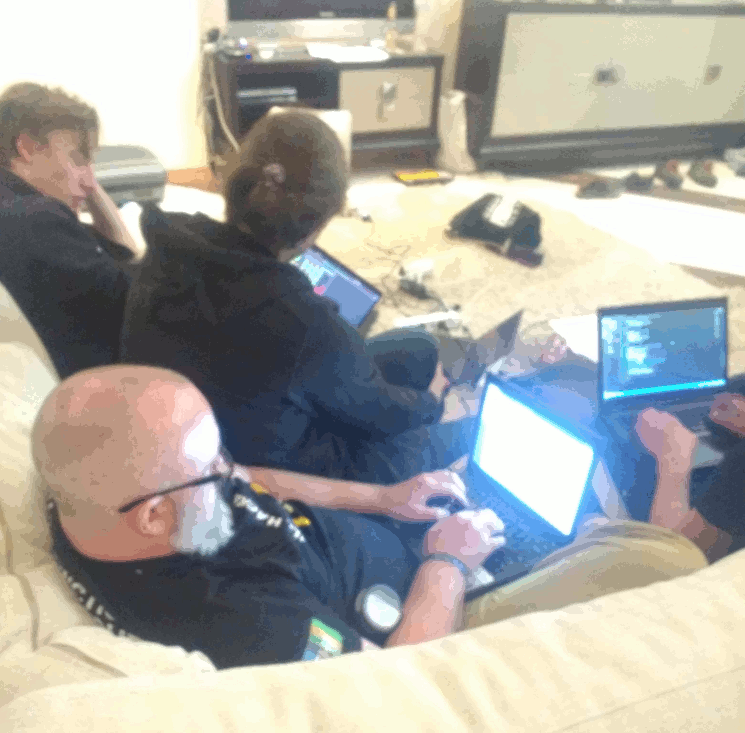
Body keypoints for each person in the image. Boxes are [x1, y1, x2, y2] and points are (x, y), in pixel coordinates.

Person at [34, 366, 711, 668]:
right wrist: (448, 559)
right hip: (428, 609)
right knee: (659, 558)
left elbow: (252, 479)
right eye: (211, 467)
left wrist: (384, 498)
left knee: (473, 447)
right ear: (154, 517)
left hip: (396, 538)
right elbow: (394, 680)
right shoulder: (237, 620)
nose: (232, 474)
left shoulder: (105, 492)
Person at [119, 109, 468, 484]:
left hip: (211, 420)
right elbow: (375, 409)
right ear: (311, 232)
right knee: (439, 438)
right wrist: (432, 404)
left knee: (418, 346)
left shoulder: (168, 248)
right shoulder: (301, 318)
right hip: (271, 467)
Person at [0, 82, 144, 378]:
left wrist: (85, 182)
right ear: (27, 147)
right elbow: (138, 298)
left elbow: (122, 253)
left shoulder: (17, 206)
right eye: (78, 159)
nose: (90, 181)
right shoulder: (36, 219)